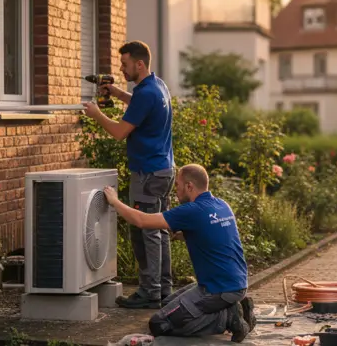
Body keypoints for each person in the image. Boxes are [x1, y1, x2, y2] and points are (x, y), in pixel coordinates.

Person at [102, 164, 257, 342]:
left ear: (189, 186)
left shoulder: (192, 210)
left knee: (160, 324)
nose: (175, 190)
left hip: (218, 289)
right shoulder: (221, 205)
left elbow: (141, 221)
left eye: (177, 185)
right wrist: (185, 235)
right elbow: (216, 233)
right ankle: (234, 306)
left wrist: (114, 201)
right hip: (234, 282)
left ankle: (228, 318)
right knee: (168, 304)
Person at [83, 40, 174, 309]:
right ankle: (164, 289)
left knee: (145, 231)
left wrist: (96, 114)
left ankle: (149, 292)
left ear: (139, 64)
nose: (121, 69)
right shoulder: (157, 86)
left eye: (124, 64)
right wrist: (117, 92)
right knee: (160, 230)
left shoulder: (146, 93)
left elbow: (120, 132)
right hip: (163, 170)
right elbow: (140, 106)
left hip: (147, 174)